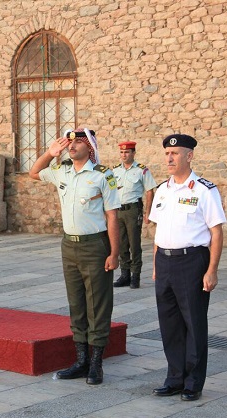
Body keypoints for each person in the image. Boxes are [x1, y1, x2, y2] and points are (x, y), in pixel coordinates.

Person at [29, 128, 120, 385]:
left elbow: (112, 216)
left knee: (98, 304)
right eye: (69, 142)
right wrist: (50, 153)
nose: (71, 146)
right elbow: (34, 172)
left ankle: (96, 363)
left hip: (95, 245)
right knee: (76, 303)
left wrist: (114, 253)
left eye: (78, 142)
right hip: (69, 245)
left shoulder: (103, 175)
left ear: (89, 147)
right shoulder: (62, 170)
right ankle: (81, 361)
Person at [149, 134, 226, 402]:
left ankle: (193, 382)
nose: (169, 158)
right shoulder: (162, 189)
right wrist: (156, 264)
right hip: (165, 261)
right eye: (167, 154)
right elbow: (158, 230)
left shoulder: (204, 190)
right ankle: (174, 378)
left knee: (193, 322)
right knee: (169, 323)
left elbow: (216, 232)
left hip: (191, 261)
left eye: (175, 154)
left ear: (189, 156)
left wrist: (212, 269)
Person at [111, 141, 157, 288]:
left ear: (133, 153)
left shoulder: (141, 170)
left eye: (127, 152)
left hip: (133, 210)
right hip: (118, 210)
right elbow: (110, 190)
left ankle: (135, 276)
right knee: (121, 244)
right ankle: (124, 275)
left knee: (134, 244)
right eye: (122, 152)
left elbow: (149, 191)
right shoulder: (115, 171)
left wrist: (148, 212)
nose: (124, 155)